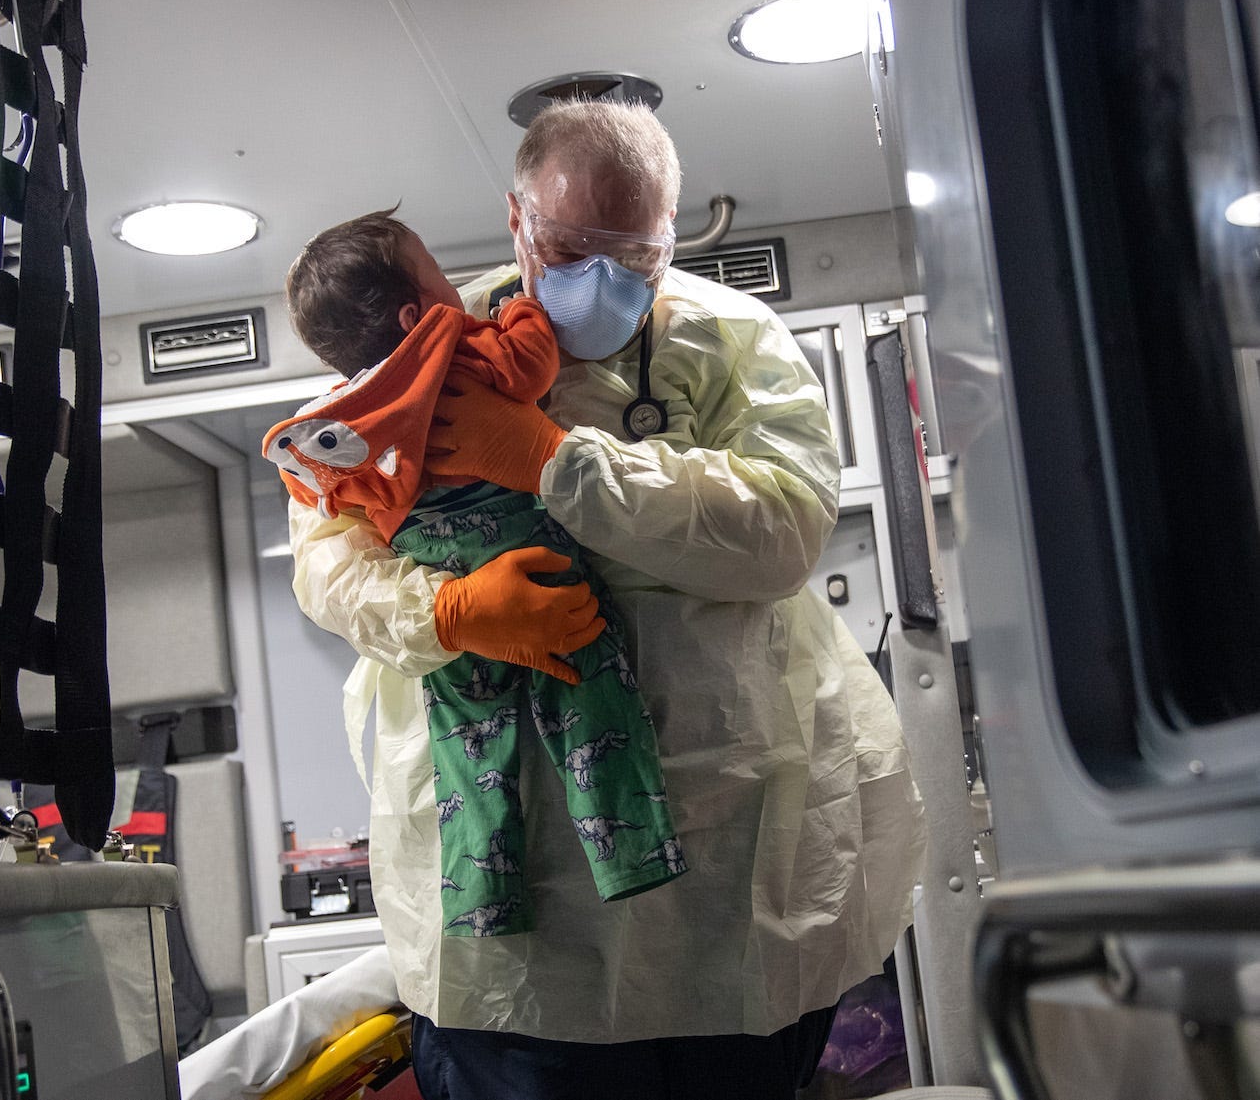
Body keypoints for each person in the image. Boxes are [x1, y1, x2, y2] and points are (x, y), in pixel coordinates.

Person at [287, 99, 926, 1099]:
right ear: (516, 221)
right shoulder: (423, 367)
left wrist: (558, 462)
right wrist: (449, 613)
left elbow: (784, 530)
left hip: (728, 884)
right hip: (524, 929)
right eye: (572, 245)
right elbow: (328, 558)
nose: (603, 276)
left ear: (668, 236)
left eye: (634, 253)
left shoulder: (728, 341)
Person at [265, 213, 686, 938]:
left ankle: (481, 898)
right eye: (436, 270)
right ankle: (633, 855)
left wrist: (453, 612)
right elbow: (528, 364)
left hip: (442, 580)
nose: (453, 287)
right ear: (414, 313)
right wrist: (520, 311)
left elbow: (331, 512)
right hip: (526, 551)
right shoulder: (453, 346)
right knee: (593, 699)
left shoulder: (333, 426)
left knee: (466, 748)